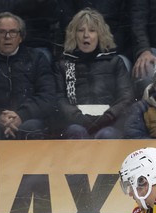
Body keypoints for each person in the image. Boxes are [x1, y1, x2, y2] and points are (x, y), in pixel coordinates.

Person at [0, 12, 57, 140]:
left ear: (21, 37)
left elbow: (47, 95)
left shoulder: (37, 58)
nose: (7, 36)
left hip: (28, 118)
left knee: (32, 128)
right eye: (1, 32)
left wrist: (21, 115)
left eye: (13, 32)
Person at [54, 8, 133, 139]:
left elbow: (126, 97)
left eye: (92, 30)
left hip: (110, 123)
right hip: (76, 123)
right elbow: (59, 99)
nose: (86, 35)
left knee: (107, 134)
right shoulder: (64, 64)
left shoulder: (114, 62)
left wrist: (107, 117)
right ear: (74, 34)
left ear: (100, 34)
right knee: (76, 131)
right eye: (80, 30)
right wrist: (79, 118)